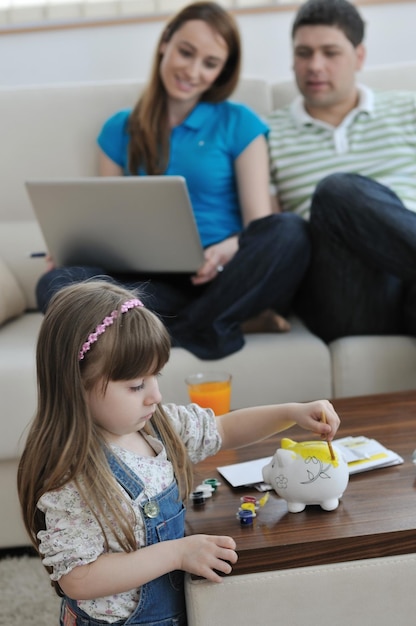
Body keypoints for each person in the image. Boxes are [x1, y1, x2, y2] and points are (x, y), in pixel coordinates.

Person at [18, 280, 340, 626]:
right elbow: (78, 578)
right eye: (136, 385)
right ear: (76, 387)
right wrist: (176, 553)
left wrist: (290, 413)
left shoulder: (158, 425)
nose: (154, 395)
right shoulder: (72, 474)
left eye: (155, 375)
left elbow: (224, 429)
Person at [35, 1, 310, 361]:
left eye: (209, 63)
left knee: (290, 231)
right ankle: (218, 325)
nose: (193, 71)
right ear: (165, 42)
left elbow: (258, 226)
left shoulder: (239, 122)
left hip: (226, 278)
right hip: (149, 286)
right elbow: (106, 222)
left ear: (221, 72)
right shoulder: (119, 129)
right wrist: (75, 246)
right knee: (56, 285)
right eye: (186, 52)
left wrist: (228, 249)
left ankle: (181, 328)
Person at [268, 0, 416, 343]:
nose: (315, 66)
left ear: (359, 56)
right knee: (336, 191)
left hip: (409, 283)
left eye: (330, 52)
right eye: (304, 53)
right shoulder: (265, 133)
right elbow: (270, 233)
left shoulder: (408, 109)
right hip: (343, 294)